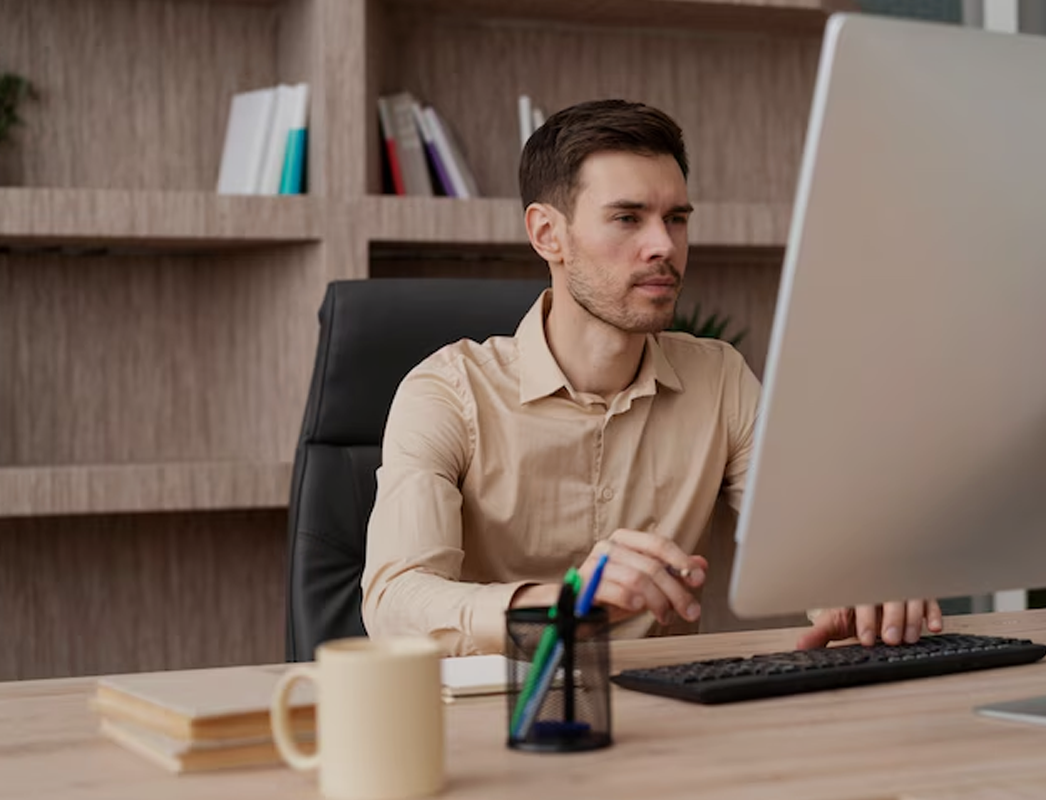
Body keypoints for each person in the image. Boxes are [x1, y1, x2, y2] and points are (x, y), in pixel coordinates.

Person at [360, 99, 942, 656]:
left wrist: (858, 589)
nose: (664, 245)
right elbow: (393, 602)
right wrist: (563, 606)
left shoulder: (720, 379)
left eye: (676, 219)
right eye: (627, 218)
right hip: (494, 723)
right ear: (547, 234)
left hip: (672, 721)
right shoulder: (446, 392)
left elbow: (807, 546)